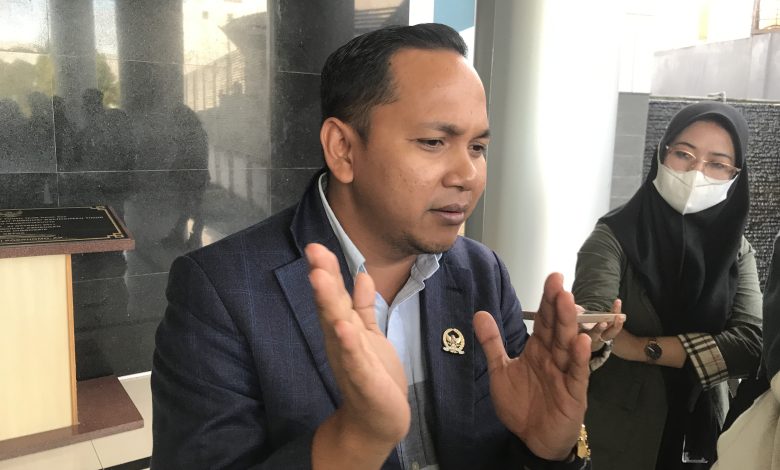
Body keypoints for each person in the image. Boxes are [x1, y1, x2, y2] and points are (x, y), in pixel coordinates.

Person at [152, 24, 592, 469]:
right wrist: (354, 439)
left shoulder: (482, 274)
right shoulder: (221, 291)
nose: (468, 175)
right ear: (343, 148)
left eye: (477, 147)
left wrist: (545, 450)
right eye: (433, 142)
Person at [571, 101, 763, 470]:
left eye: (717, 164)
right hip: (619, 433)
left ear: (736, 176)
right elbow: (594, 317)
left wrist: (641, 348)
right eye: (683, 154)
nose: (696, 172)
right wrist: (590, 332)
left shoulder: (737, 251)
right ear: (662, 154)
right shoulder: (614, 236)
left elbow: (749, 346)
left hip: (704, 432)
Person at [712, 231, 780, 469]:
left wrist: (643, 349)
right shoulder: (620, 233)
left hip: (712, 402)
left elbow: (748, 344)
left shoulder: (736, 245)